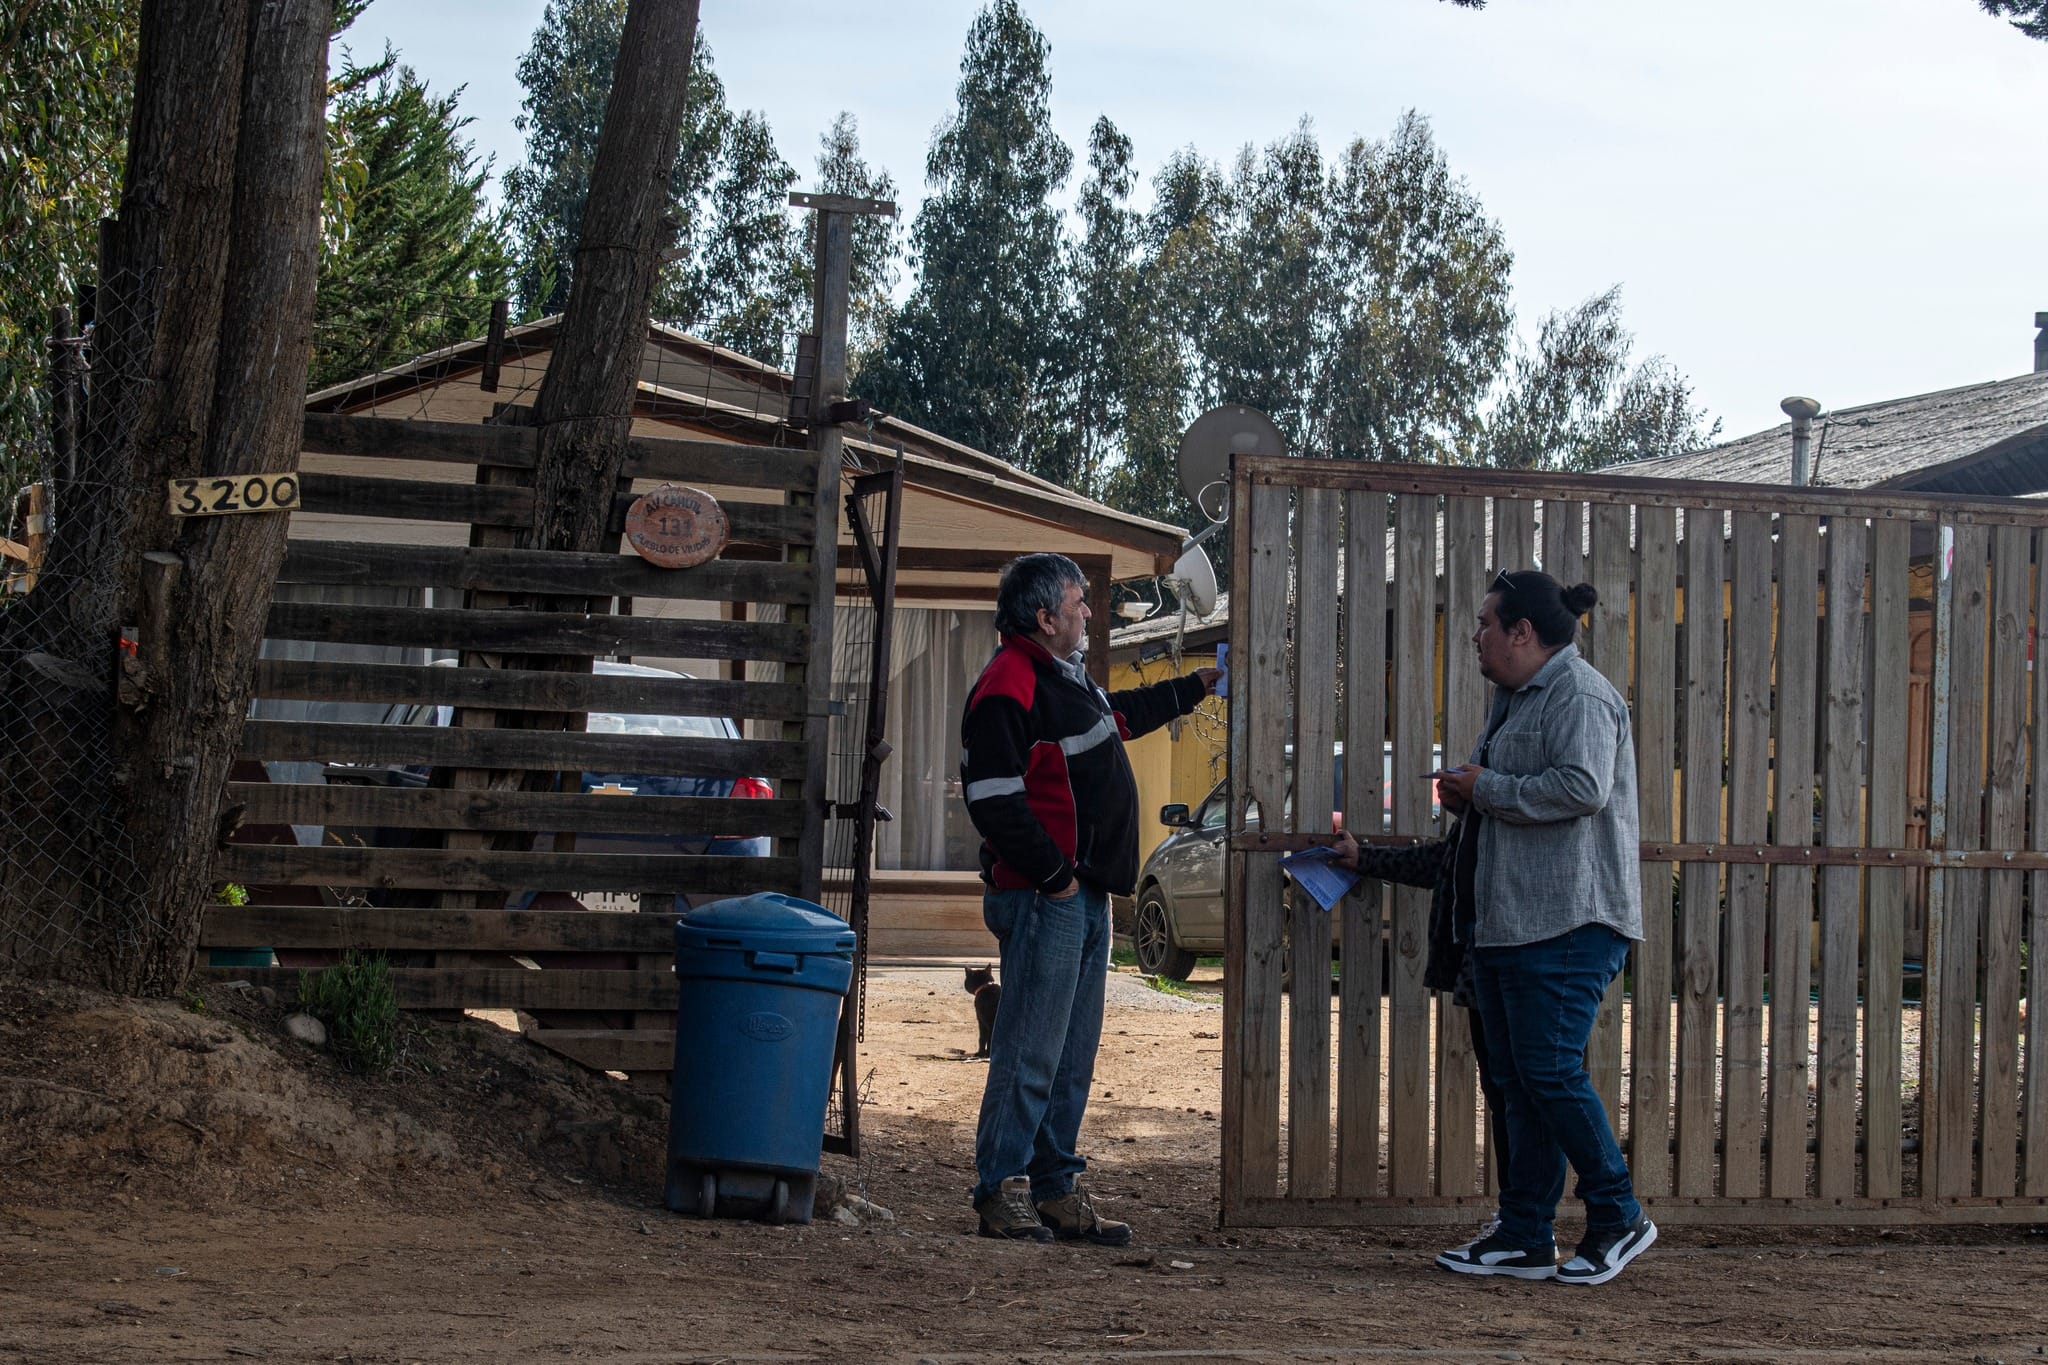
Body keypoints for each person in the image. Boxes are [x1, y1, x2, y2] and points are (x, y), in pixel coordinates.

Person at [1336, 568, 1653, 1286]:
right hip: (1513, 923)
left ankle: (1618, 1212)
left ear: (1522, 632)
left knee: (1546, 1071)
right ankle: (1524, 1232)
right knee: (1517, 1081)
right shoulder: (1513, 701)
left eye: (1484, 623)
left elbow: (1582, 786)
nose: (1475, 636)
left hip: (1569, 919)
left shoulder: (1580, 694)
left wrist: (1487, 788)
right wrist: (1468, 801)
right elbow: (1500, 818)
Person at [959, 552, 1219, 1245]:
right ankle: (1000, 1189)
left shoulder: (1064, 679)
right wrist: (1054, 875)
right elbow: (991, 798)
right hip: (1049, 897)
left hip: (1084, 896)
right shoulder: (1008, 681)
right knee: (1029, 1048)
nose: (1088, 615)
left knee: (1071, 1053)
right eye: (1078, 604)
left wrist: (1197, 684)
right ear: (1044, 617)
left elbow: (1123, 716)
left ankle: (1054, 1189)